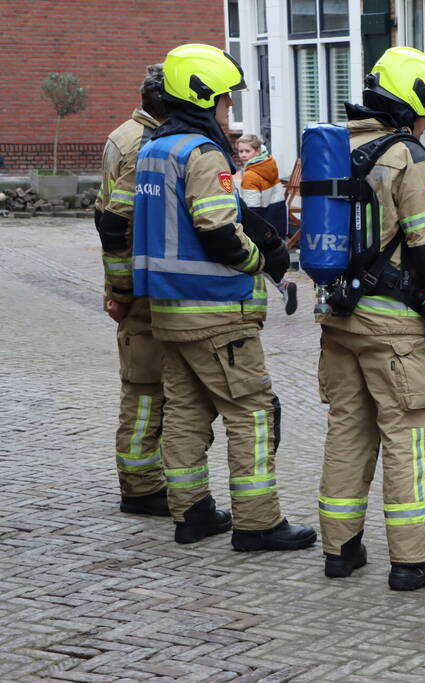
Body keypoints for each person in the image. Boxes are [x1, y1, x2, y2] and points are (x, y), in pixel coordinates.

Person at [132, 43, 315, 550]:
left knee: (186, 412)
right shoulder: (202, 152)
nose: (229, 112)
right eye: (226, 102)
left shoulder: (153, 150)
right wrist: (262, 262)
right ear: (204, 99)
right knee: (251, 412)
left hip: (167, 310)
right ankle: (258, 523)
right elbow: (217, 230)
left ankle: (191, 513)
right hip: (216, 312)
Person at [315, 46, 425, 590]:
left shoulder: (338, 144)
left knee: (347, 431)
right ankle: (413, 559)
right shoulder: (407, 156)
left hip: (338, 318)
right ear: (412, 104)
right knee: (406, 434)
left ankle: (340, 549)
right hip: (391, 327)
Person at [94, 64, 171, 516]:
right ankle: (142, 487)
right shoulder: (146, 146)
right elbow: (116, 225)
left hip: (131, 285)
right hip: (144, 291)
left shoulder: (120, 135)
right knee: (145, 392)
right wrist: (123, 291)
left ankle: (144, 481)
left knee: (141, 388)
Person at [234, 133, 287, 238]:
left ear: (257, 151)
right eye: (241, 151)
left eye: (247, 151)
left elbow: (251, 207)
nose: (243, 155)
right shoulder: (269, 165)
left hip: (262, 227)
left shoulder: (250, 175)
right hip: (277, 219)